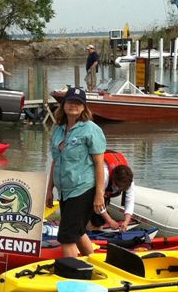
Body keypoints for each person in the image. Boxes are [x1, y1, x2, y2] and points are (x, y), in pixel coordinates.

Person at [45, 86, 106, 258]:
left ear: (84, 107)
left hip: (83, 189)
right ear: (63, 104)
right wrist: (50, 190)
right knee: (77, 231)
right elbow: (56, 161)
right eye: (70, 101)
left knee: (66, 237)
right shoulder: (57, 129)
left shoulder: (92, 130)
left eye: (78, 103)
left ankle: (73, 276)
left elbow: (99, 164)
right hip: (64, 191)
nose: (74, 105)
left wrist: (99, 195)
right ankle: (93, 265)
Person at [88, 151, 136, 231]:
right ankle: (86, 232)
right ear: (113, 179)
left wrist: (126, 222)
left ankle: (98, 230)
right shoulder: (105, 175)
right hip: (91, 185)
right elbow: (97, 200)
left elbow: (129, 201)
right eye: (119, 186)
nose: (120, 189)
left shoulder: (129, 180)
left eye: (123, 188)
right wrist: (109, 220)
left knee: (99, 220)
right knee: (91, 214)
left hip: (106, 191)